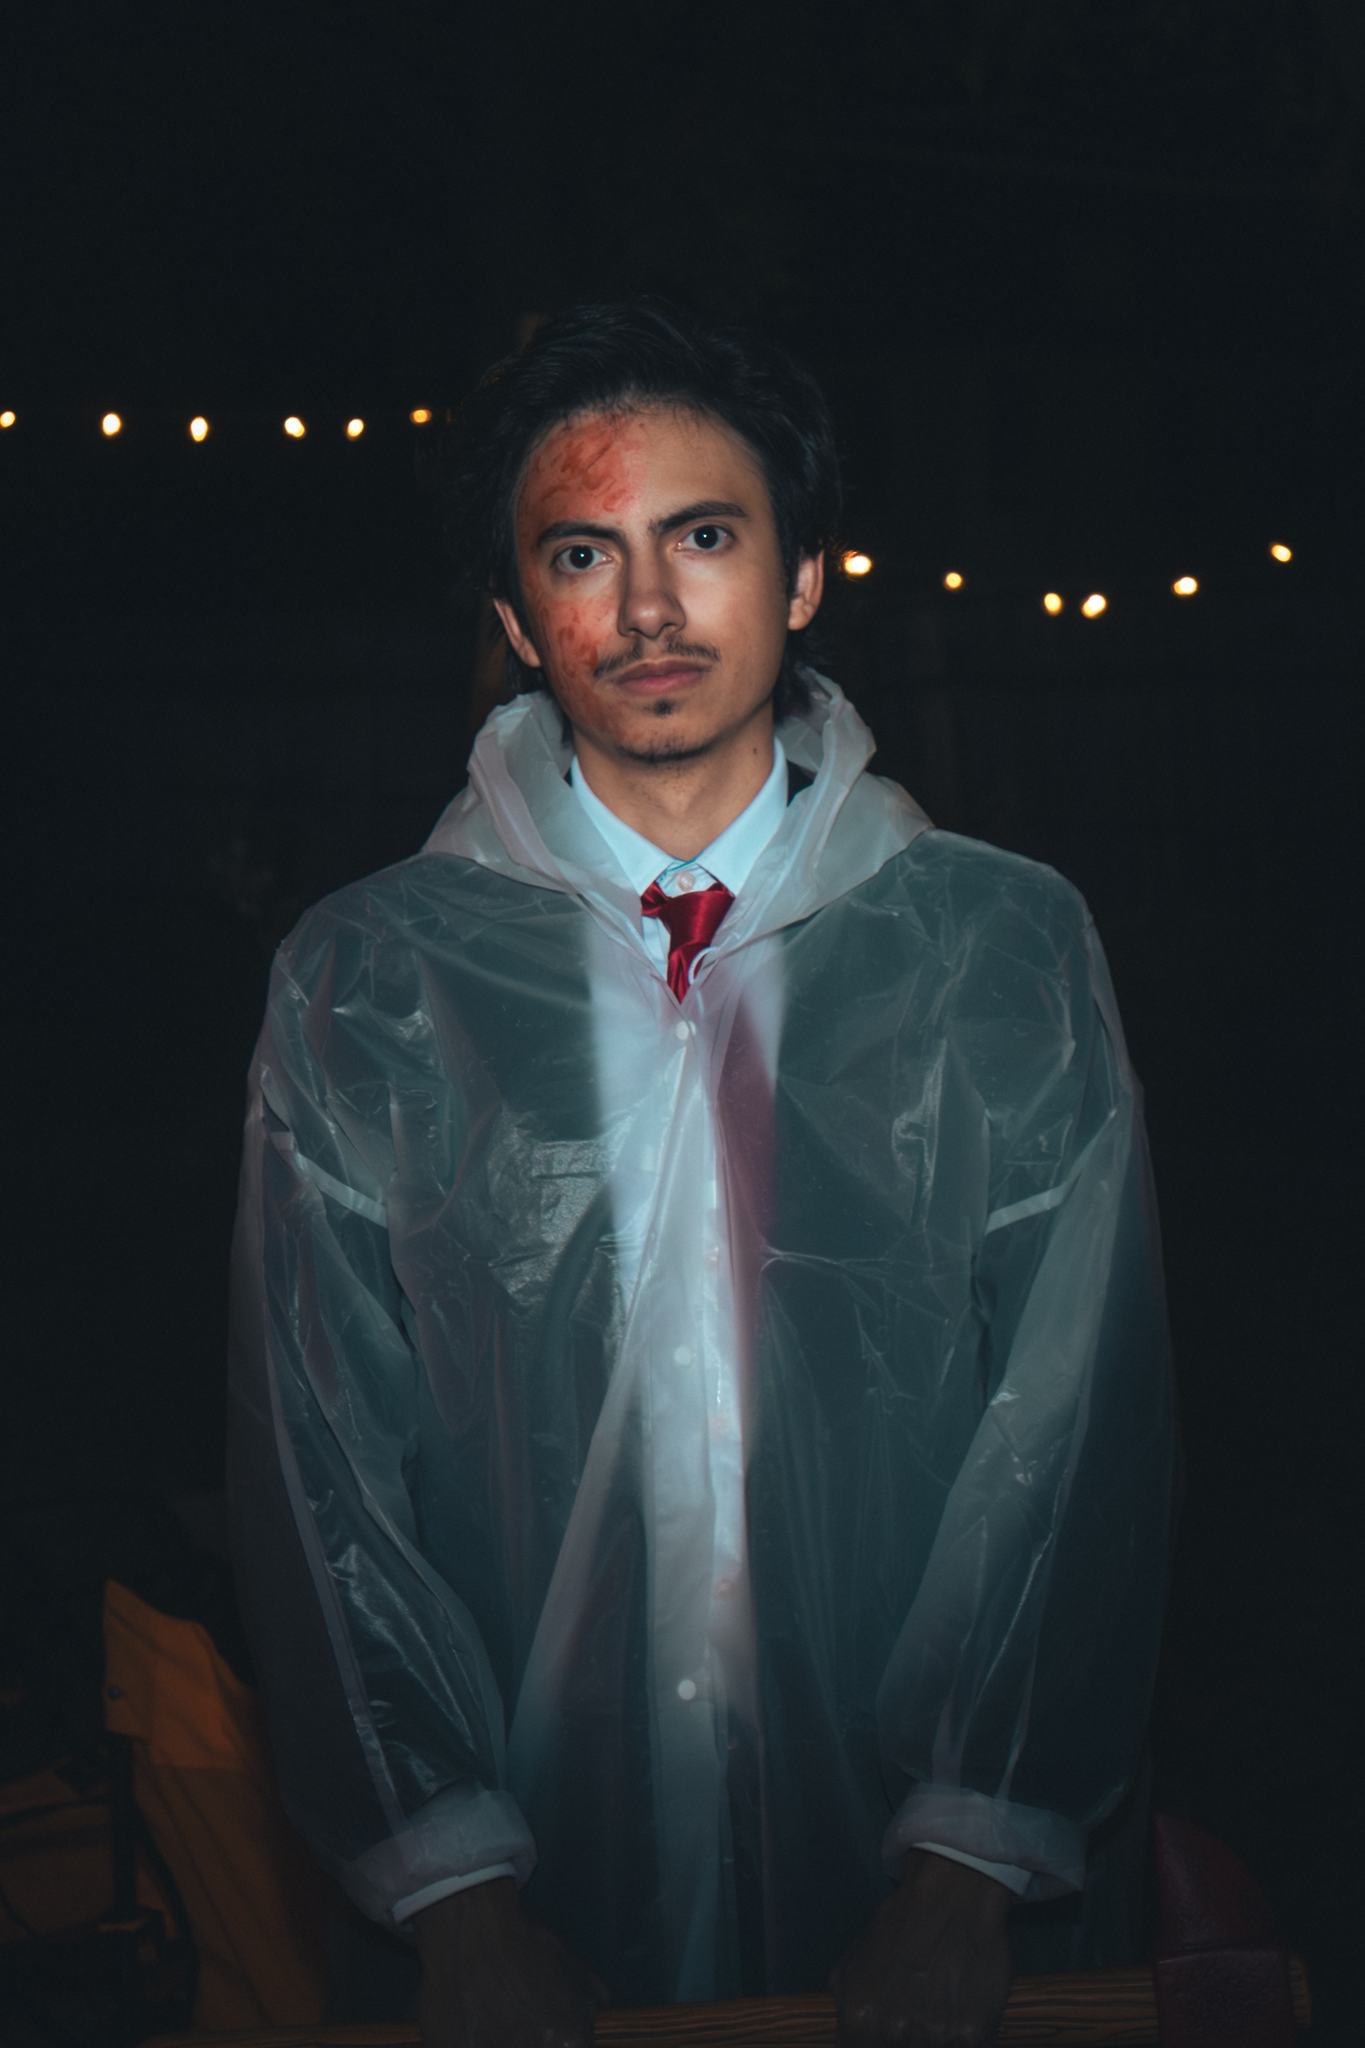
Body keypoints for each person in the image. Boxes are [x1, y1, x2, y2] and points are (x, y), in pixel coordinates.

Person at [228, 301, 1175, 2048]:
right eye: (584, 553)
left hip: (919, 1903)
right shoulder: (372, 980)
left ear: (805, 577)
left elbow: (1078, 1425)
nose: (650, 608)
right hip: (528, 1899)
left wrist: (970, 1863)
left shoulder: (996, 944)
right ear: (519, 619)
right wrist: (453, 1894)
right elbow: (317, 1472)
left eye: (707, 537)